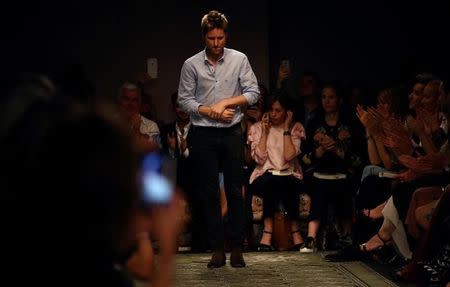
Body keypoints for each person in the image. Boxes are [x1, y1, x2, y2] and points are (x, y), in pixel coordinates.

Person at [177, 10, 260, 268]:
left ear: (226, 35)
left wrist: (227, 102)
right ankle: (216, 249)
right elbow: (184, 99)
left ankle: (236, 246)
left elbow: (253, 92)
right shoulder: (191, 64)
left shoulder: (239, 59)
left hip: (233, 131)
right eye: (211, 38)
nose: (216, 43)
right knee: (210, 192)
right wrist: (210, 109)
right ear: (204, 37)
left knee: (235, 190)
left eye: (220, 38)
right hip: (203, 133)